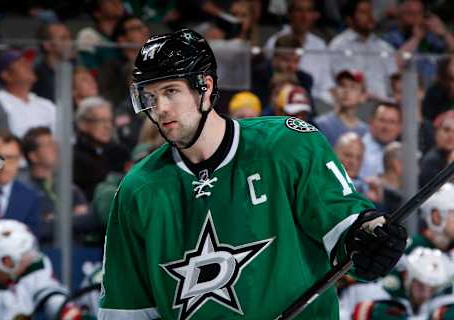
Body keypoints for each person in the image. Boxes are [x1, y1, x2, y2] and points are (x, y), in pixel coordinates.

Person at [99, 28, 407, 320]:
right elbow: (127, 308)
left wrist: (371, 234)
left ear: (204, 88)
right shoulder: (137, 190)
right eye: (149, 97)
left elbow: (346, 227)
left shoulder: (287, 146)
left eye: (170, 91)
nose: (160, 108)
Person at [0, 219, 85, 319]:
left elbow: (52, 296)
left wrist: (67, 312)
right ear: (6, 261)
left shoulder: (34, 266)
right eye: (24, 254)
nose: (30, 258)